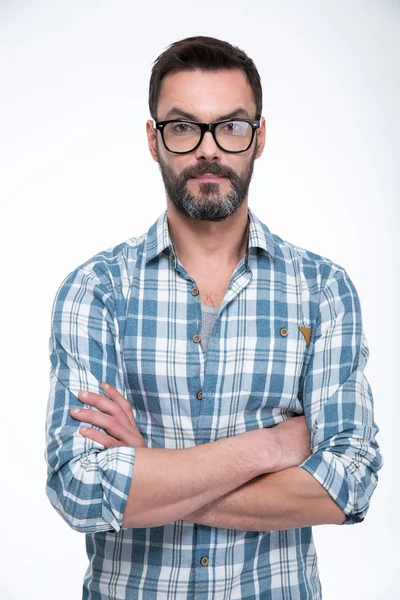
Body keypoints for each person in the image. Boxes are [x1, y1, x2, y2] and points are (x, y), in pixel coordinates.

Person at [44, 35, 382, 599]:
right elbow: (81, 489)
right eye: (184, 128)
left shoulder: (322, 290)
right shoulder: (96, 290)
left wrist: (152, 471)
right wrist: (270, 449)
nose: (210, 149)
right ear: (154, 141)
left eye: (231, 126)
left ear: (259, 136)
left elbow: (348, 484)